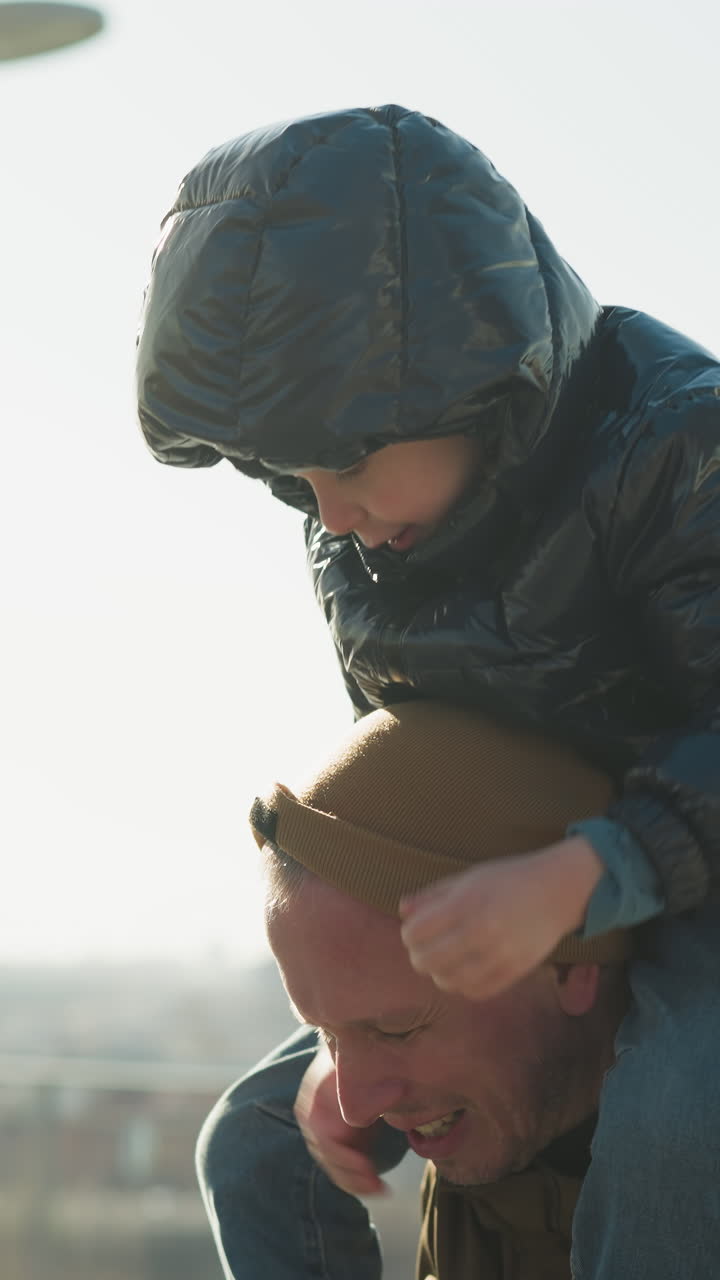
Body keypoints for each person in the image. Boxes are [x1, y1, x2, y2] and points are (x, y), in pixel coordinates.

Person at [135, 104, 720, 1276]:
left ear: (467, 377)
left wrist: (586, 874)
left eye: (345, 459)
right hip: (526, 902)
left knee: (671, 1125)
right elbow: (421, 782)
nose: (329, 511)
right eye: (291, 476)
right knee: (251, 1142)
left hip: (683, 887)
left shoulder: (676, 447)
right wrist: (358, 1043)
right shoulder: (361, 538)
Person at [223, 700, 633, 1279]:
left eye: (396, 1028)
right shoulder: (488, 1153)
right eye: (325, 1035)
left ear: (568, 965)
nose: (354, 1104)